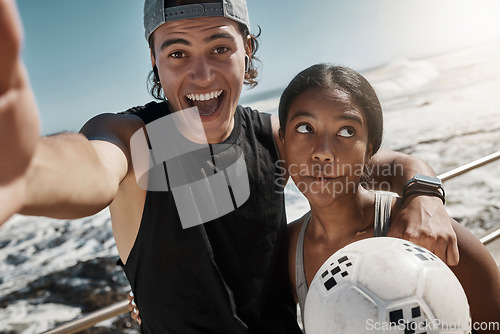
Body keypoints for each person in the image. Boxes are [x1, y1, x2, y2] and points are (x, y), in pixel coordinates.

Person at [0, 0, 461, 332]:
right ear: (156, 64)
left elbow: (381, 162)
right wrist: (29, 170)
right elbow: (91, 165)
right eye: (177, 53)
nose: (201, 75)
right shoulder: (134, 138)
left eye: (220, 48)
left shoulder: (273, 136)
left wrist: (423, 191)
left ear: (248, 53)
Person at [280, 64, 500, 332]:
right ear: (282, 141)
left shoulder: (427, 236)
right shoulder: (289, 249)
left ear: (369, 150)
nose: (323, 152)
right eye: (305, 128)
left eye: (347, 131)